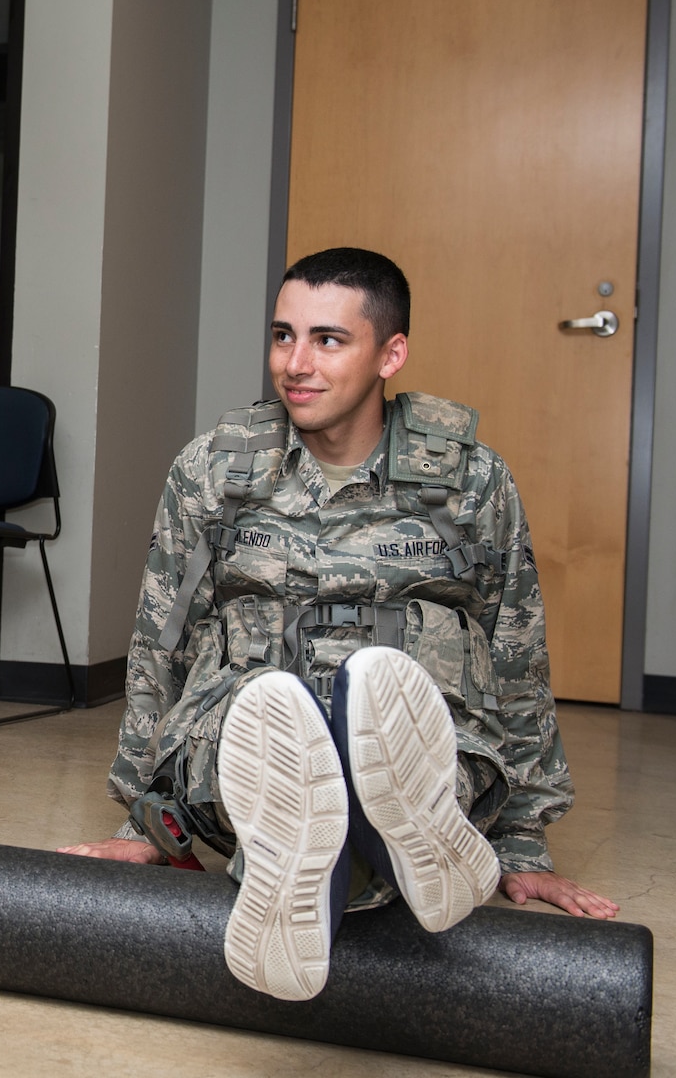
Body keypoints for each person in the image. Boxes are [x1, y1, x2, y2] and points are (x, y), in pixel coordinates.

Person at [59, 247, 618, 1001]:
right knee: (258, 712)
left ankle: (356, 847)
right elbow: (165, 638)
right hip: (248, 756)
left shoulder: (469, 479)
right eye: (283, 335)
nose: (296, 363)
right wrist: (143, 824)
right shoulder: (214, 471)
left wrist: (524, 843)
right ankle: (374, 851)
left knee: (410, 698)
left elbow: (513, 647)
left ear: (392, 354)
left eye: (328, 339)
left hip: (419, 745)